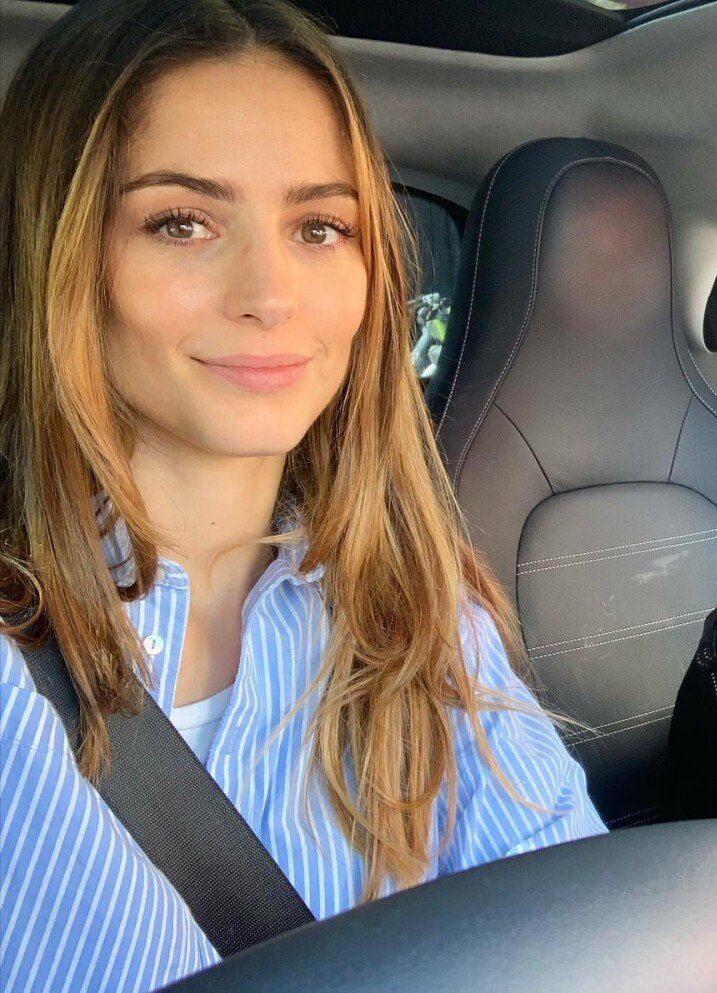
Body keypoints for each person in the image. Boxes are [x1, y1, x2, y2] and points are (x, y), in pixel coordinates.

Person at [0, 2, 606, 991]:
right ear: (59, 255)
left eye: (320, 226)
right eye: (181, 222)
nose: (271, 293)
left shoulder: (422, 616)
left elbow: (586, 943)